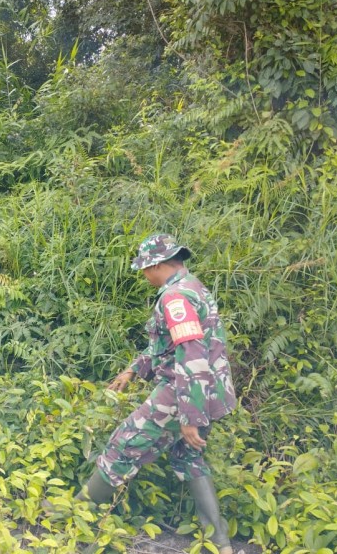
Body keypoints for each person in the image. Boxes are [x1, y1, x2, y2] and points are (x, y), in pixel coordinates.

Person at [73, 234, 237, 554]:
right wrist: (133, 369)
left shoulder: (175, 298)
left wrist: (190, 415)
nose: (144, 276)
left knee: (123, 444)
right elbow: (166, 347)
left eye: (144, 269)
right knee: (188, 456)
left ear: (156, 265)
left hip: (184, 391)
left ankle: (74, 516)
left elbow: (189, 353)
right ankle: (220, 544)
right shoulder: (192, 286)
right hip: (207, 391)